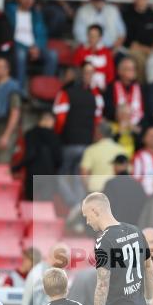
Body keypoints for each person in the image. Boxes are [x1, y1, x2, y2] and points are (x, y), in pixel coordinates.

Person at [54, 63, 98, 206]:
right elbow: (96, 121)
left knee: (60, 176)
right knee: (79, 177)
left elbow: (60, 118)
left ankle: (73, 203)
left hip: (68, 142)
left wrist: (58, 136)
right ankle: (80, 205)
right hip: (86, 143)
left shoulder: (66, 93)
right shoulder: (94, 97)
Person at [6, 0, 58, 94]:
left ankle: (45, 89)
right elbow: (9, 35)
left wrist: (37, 47)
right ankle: (19, 90)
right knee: (20, 55)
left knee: (53, 55)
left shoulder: (36, 14)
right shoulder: (10, 12)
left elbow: (42, 34)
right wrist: (28, 48)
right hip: (18, 46)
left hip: (34, 47)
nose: (28, 0)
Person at [15, 112, 62, 201]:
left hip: (32, 174)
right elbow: (59, 159)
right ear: (50, 121)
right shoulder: (55, 137)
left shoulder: (30, 134)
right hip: (48, 175)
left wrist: (16, 168)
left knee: (29, 203)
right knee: (45, 205)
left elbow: (30, 155)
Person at [121, 0, 153, 82]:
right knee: (140, 60)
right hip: (134, 49)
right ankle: (141, 87)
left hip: (152, 49)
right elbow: (130, 42)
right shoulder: (127, 15)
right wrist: (146, 49)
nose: (142, 0)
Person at [74, 24, 115, 91]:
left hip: (102, 89)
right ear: (87, 36)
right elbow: (76, 69)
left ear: (100, 37)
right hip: (84, 87)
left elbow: (111, 74)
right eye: (90, 35)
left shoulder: (106, 52)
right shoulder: (80, 50)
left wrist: (105, 85)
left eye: (95, 36)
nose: (92, 38)